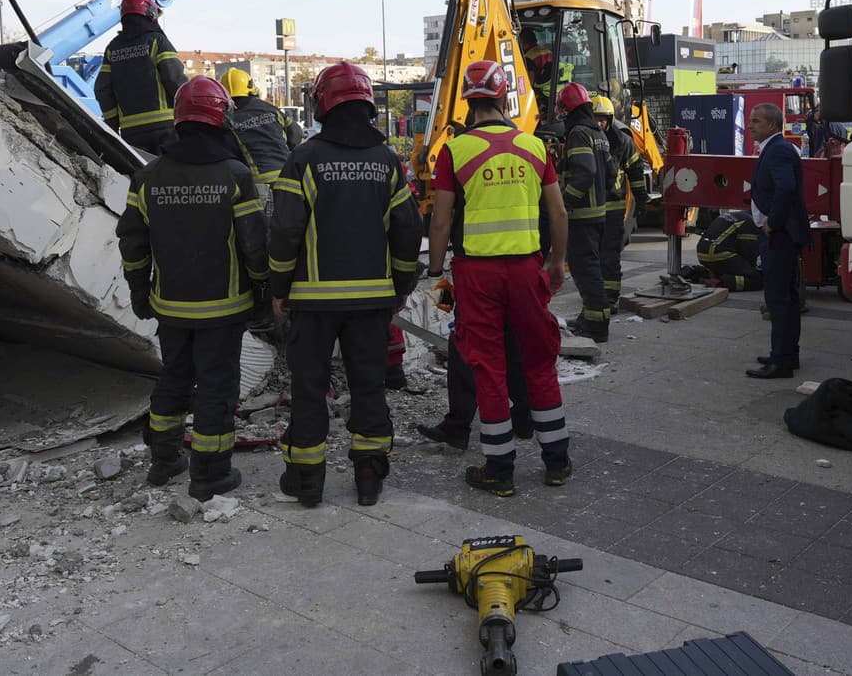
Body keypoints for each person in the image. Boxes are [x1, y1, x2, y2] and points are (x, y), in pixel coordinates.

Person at [269, 62, 423, 508]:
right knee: (369, 387)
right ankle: (369, 477)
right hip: (372, 301)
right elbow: (407, 228)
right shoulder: (386, 162)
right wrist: (401, 282)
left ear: (322, 105)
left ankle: (306, 482)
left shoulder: (303, 160)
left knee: (310, 389)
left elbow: (284, 233)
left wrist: (279, 286)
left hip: (312, 304)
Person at [117, 76, 270, 500]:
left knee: (174, 380)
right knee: (217, 387)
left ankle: (164, 461)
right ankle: (211, 473)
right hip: (224, 308)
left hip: (170, 306)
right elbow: (254, 245)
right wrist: (262, 289)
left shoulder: (147, 177)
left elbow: (132, 241)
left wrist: (138, 291)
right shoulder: (236, 175)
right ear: (222, 119)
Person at [427, 60, 572, 497]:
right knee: (539, 363)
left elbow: (440, 221)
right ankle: (557, 462)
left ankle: (500, 470)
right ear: (505, 97)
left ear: (468, 102)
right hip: (527, 271)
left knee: (487, 367)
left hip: (475, 276)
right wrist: (557, 264)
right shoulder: (534, 146)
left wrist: (436, 277)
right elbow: (559, 212)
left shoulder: (455, 151)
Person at [745, 102, 809, 379]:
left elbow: (786, 188)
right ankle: (786, 354)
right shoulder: (772, 148)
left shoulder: (779, 149)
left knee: (778, 300)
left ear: (772, 124)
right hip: (781, 235)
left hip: (780, 236)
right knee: (787, 298)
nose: (750, 125)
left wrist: (773, 222)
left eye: (756, 121)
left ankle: (781, 361)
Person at [557, 83, 615, 343]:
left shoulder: (578, 133)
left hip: (582, 216)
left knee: (585, 270)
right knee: (592, 268)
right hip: (598, 214)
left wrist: (566, 200)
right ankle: (590, 317)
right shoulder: (599, 134)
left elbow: (585, 171)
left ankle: (596, 326)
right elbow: (610, 174)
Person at [94, 0, 187, 154]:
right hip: (165, 128)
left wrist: (112, 125)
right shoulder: (157, 41)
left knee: (144, 173)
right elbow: (175, 80)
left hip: (131, 132)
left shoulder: (113, 48)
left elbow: (103, 90)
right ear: (150, 13)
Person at [219, 68, 303, 214]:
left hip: (258, 186)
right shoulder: (269, 108)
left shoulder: (228, 119)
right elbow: (296, 134)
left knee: (263, 232)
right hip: (289, 178)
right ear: (251, 88)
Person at [593, 96, 647, 309]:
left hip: (613, 209)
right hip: (591, 210)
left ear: (610, 118)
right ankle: (596, 295)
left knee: (610, 256)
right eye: (595, 118)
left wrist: (641, 198)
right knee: (592, 256)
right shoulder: (585, 137)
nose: (599, 123)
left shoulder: (622, 141)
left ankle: (610, 298)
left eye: (602, 119)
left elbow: (635, 172)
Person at [696, 210, 762, 291]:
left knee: (732, 269)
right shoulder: (750, 222)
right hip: (719, 253)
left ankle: (702, 274)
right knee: (757, 279)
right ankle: (720, 283)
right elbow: (748, 252)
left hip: (702, 252)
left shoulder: (738, 215)